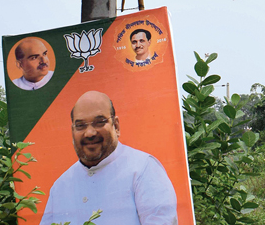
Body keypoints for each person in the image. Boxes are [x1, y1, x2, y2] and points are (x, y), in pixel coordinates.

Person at [40, 91, 177, 225]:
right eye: (81, 125)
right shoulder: (60, 186)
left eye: (99, 122)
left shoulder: (143, 169)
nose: (89, 133)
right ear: (72, 132)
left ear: (116, 126)